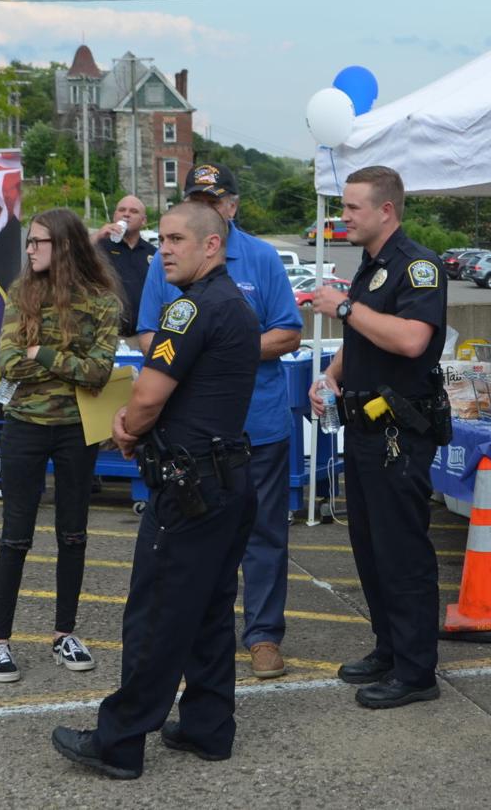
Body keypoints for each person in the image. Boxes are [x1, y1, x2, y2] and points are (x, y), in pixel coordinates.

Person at [52, 200, 259, 779]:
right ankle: (207, 728)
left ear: (211, 246)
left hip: (190, 487)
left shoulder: (189, 311)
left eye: (175, 239)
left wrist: (126, 427)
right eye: (161, 238)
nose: (163, 248)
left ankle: (118, 743)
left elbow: (146, 398)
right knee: (209, 610)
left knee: (156, 614)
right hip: (227, 480)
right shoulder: (236, 307)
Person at [135, 163, 301, 679]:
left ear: (232, 207)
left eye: (215, 200)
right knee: (193, 542)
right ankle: (205, 639)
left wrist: (217, 353)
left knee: (265, 535)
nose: (207, 207)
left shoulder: (262, 257)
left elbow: (289, 332)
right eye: (196, 199)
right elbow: (147, 334)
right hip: (194, 436)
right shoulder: (169, 257)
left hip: (259, 424)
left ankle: (264, 636)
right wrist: (194, 358)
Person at [308, 165, 447, 710]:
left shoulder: (418, 268)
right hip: (364, 428)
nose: (343, 218)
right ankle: (390, 648)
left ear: (385, 210)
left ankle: (416, 672)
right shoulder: (371, 267)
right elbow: (364, 334)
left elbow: (412, 340)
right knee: (369, 549)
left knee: (402, 552)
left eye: (351, 209)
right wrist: (332, 376)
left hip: (400, 433)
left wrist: (344, 306)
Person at [0, 208, 120, 683]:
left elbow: (100, 372)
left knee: (74, 535)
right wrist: (66, 361)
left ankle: (65, 633)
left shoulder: (102, 301)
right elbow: (6, 366)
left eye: (38, 242)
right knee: (14, 537)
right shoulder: (22, 293)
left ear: (64, 245)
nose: (30, 250)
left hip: (75, 429)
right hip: (23, 425)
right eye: (28, 242)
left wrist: (39, 352)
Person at [92, 196, 158, 337]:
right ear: (115, 216)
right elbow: (70, 259)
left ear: (144, 220)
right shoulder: (99, 247)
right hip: (106, 334)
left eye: (133, 211)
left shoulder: (153, 253)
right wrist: (97, 236)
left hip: (143, 334)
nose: (126, 214)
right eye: (122, 210)